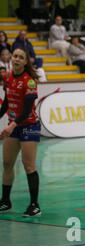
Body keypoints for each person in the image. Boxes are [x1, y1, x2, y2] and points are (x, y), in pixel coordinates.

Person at [0, 48, 42, 216]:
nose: (16, 59)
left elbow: (26, 111)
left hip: (29, 126)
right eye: (15, 56)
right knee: (7, 164)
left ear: (25, 62)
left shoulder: (30, 81)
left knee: (28, 165)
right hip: (14, 126)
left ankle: (34, 204)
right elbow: (6, 104)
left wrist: (11, 126)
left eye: (20, 57)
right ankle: (5, 201)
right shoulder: (8, 77)